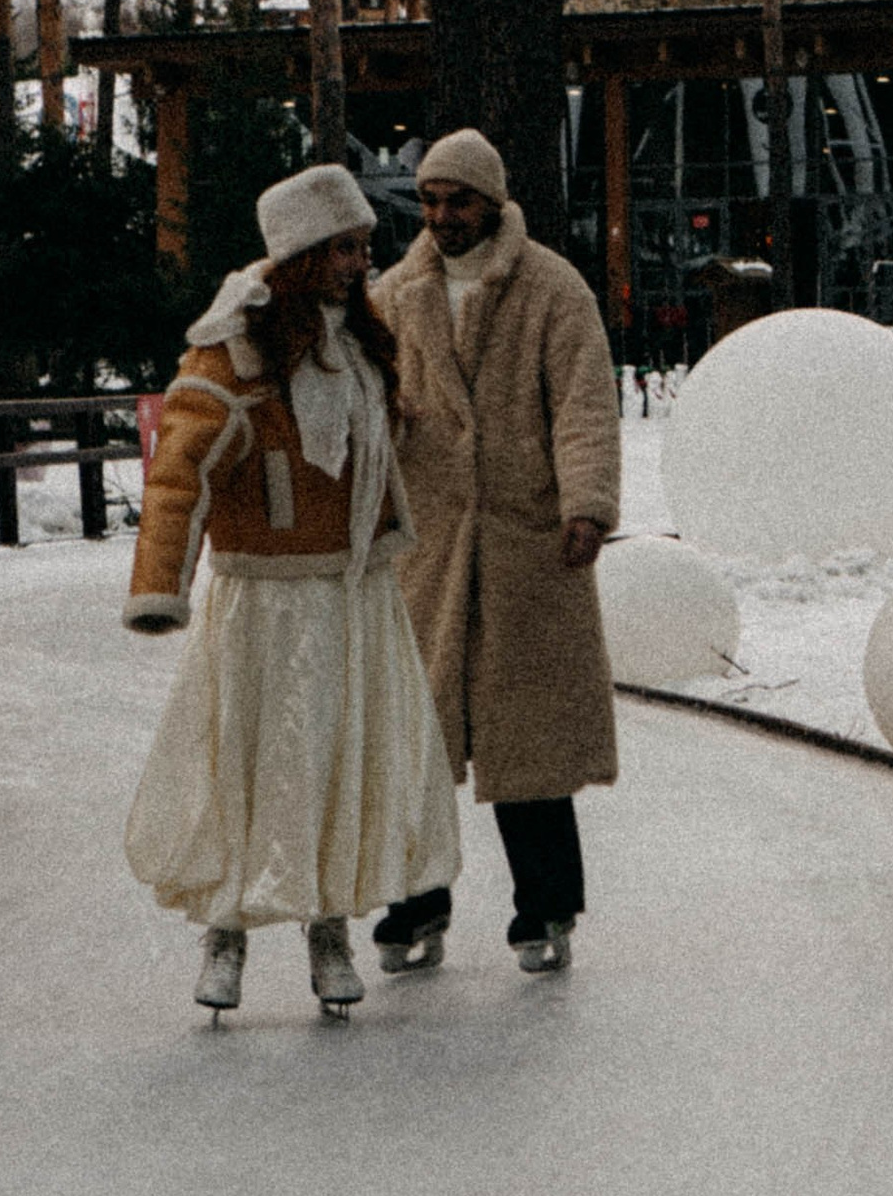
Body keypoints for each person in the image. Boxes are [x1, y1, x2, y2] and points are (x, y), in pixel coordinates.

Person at [122, 163, 459, 1021]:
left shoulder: (362, 344)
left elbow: (377, 450)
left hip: (352, 596)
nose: (360, 262)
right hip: (265, 604)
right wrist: (160, 587)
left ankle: (329, 930)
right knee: (246, 768)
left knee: (340, 766)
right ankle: (226, 935)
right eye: (344, 248)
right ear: (303, 253)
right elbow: (179, 474)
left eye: (363, 246)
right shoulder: (233, 351)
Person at [369, 126, 621, 976]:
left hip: (526, 542)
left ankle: (546, 909)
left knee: (529, 743)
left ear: (493, 202)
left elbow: (583, 404)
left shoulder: (552, 288)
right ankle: (414, 904)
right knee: (417, 738)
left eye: (459, 201)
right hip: (431, 546)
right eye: (431, 201)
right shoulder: (396, 296)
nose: (442, 216)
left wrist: (585, 504)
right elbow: (368, 402)